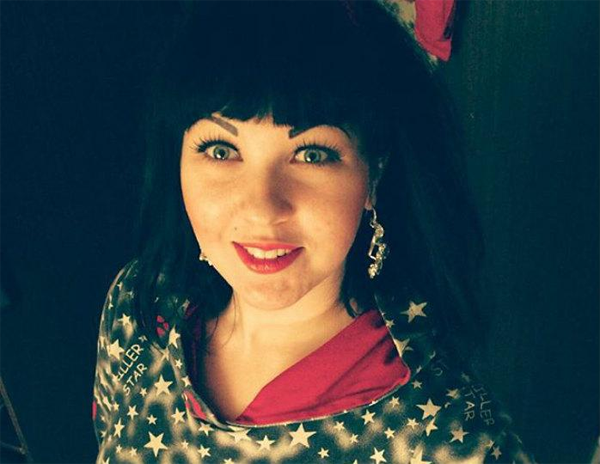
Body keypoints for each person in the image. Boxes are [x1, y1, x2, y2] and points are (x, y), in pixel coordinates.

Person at [92, 1, 536, 462]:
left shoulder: (454, 441)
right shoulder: (140, 305)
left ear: (373, 175)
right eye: (221, 149)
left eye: (312, 155)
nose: (262, 209)